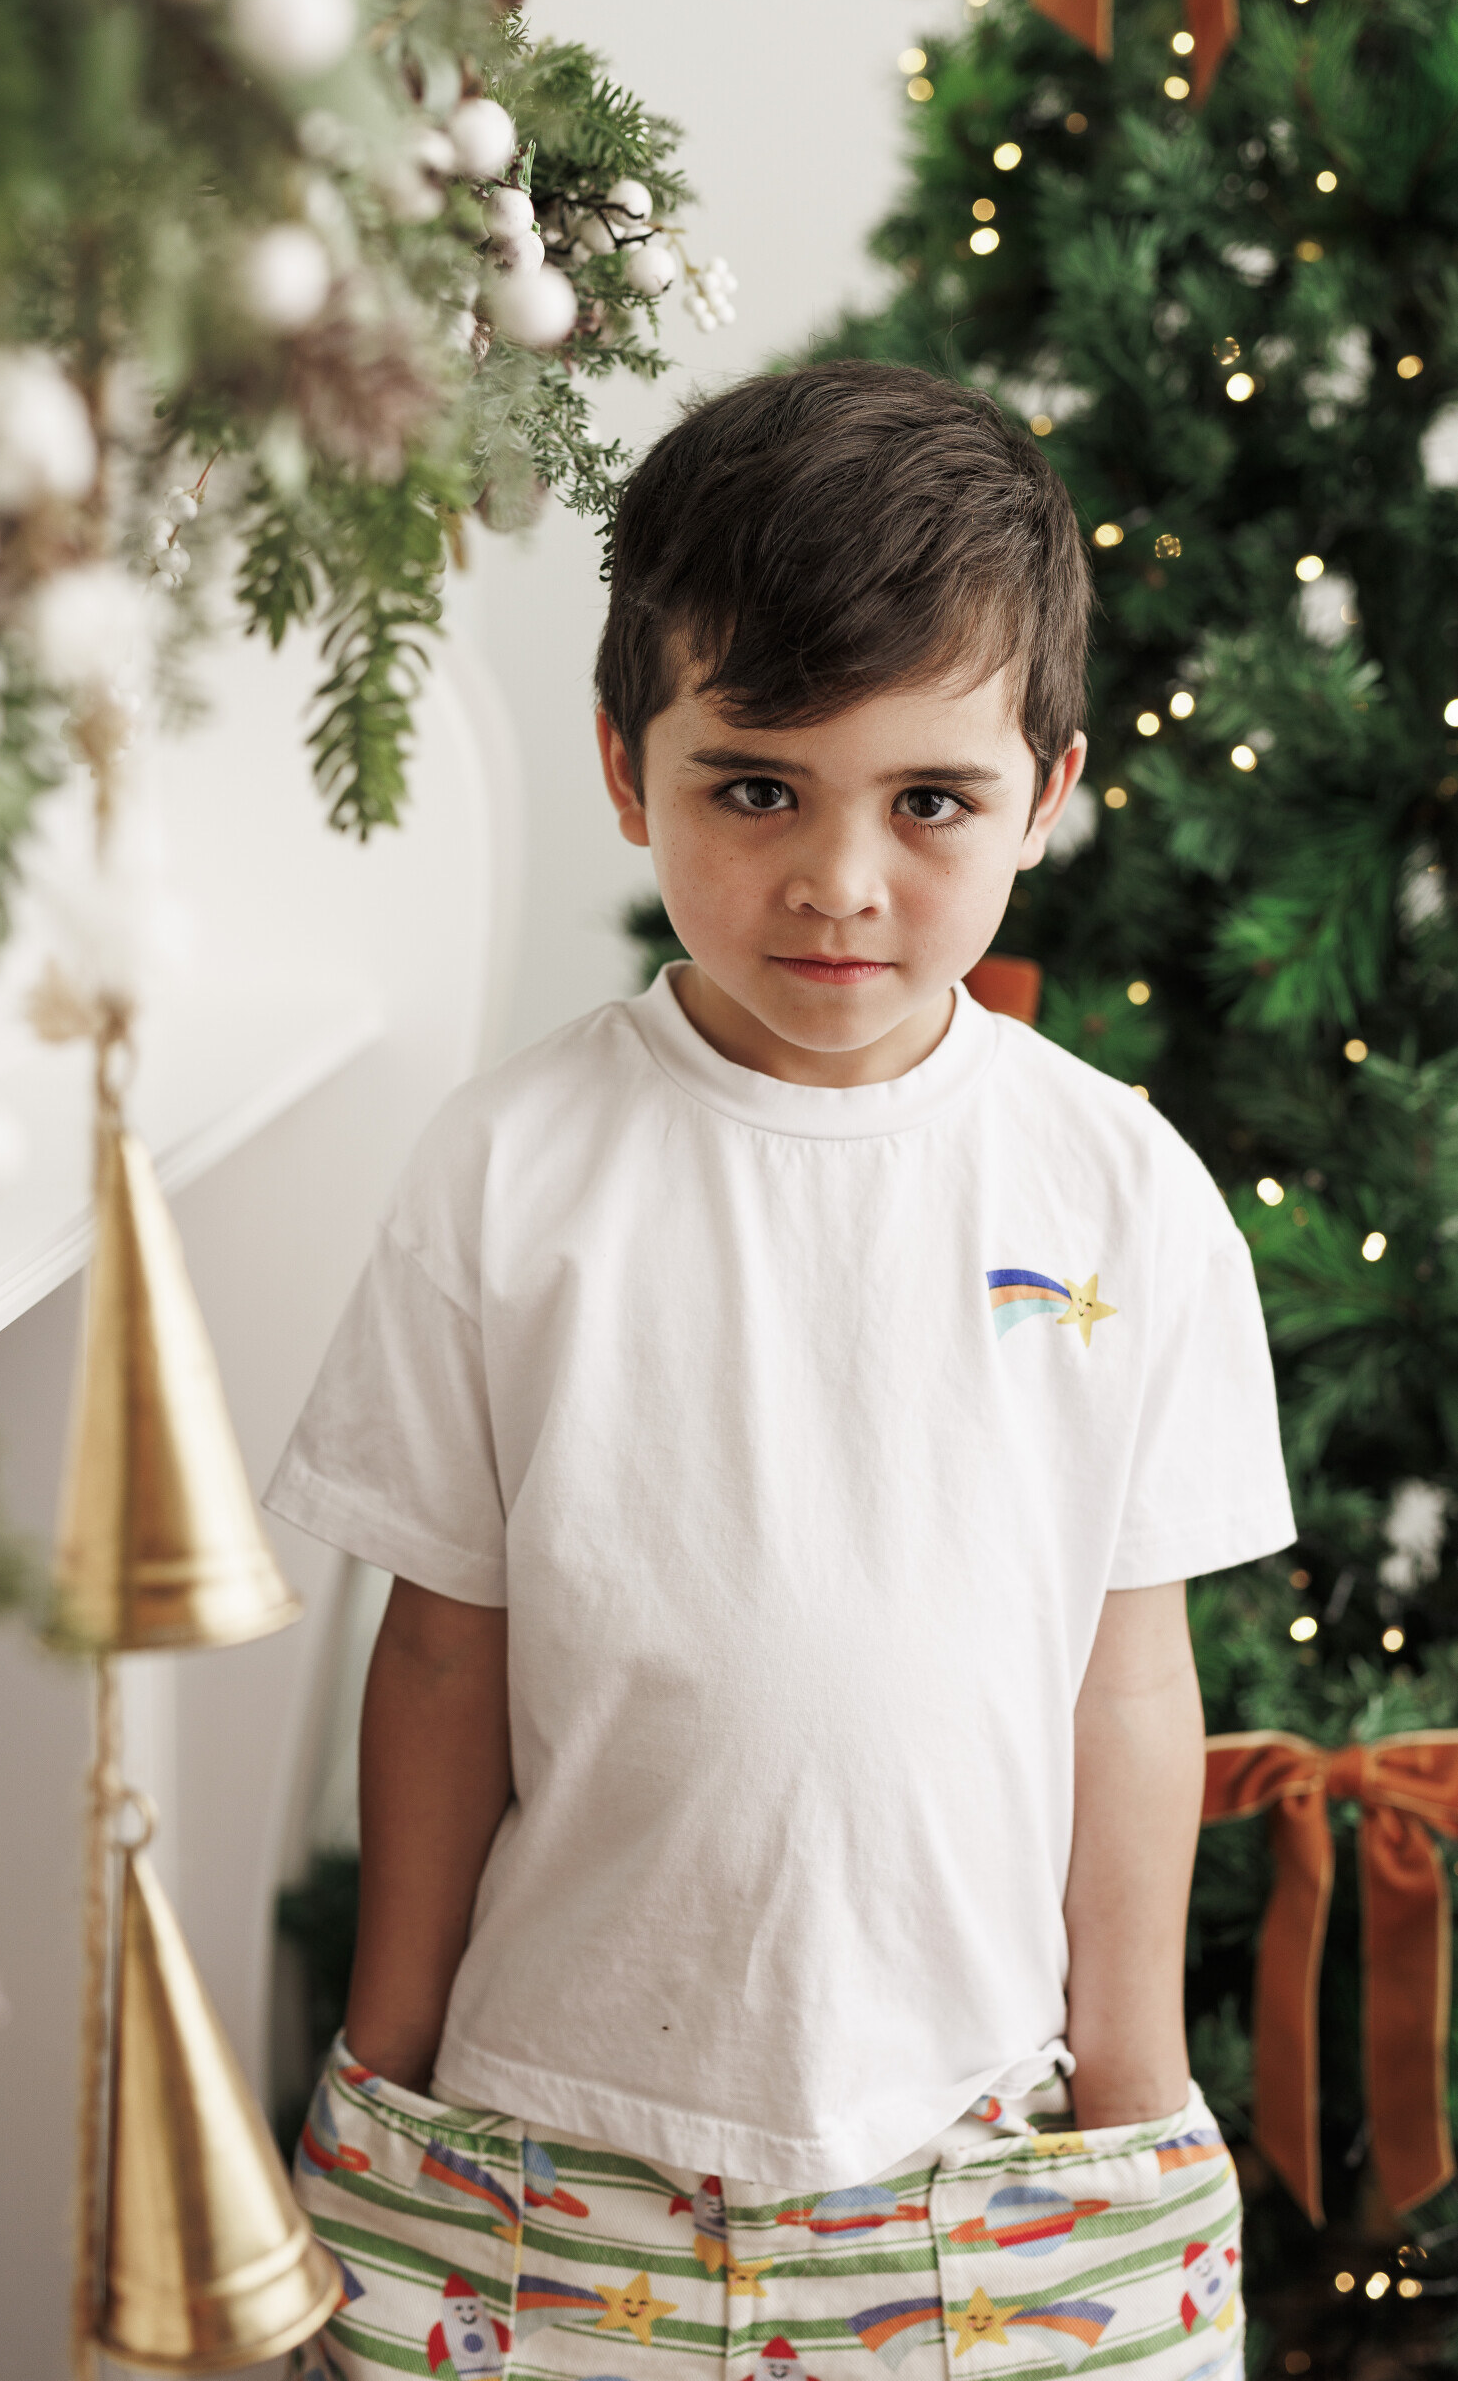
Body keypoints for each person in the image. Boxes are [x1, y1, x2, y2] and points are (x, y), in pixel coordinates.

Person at [269, 364, 1294, 2381]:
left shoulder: (1122, 1192)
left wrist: (1133, 2083)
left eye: (929, 802)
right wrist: (386, 2067)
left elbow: (1128, 1677)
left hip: (984, 2156)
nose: (838, 880)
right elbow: (443, 1655)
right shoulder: (505, 1171)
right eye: (756, 789)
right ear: (625, 766)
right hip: (552, 2143)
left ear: (1048, 790)